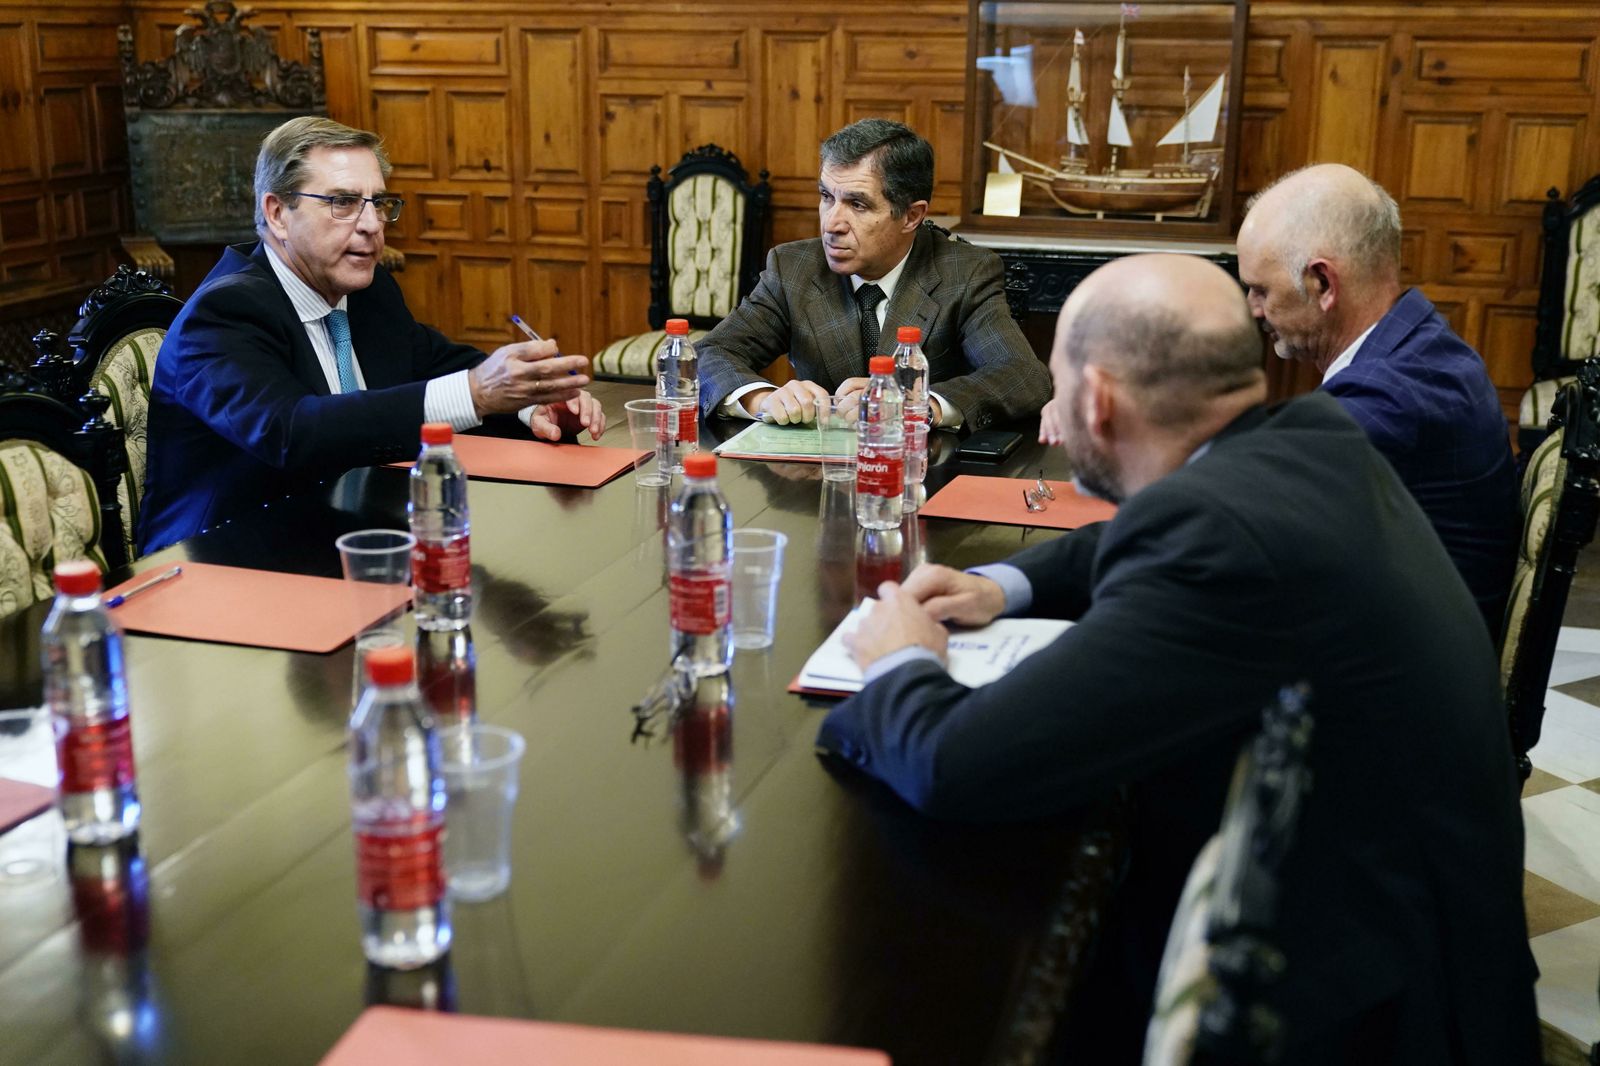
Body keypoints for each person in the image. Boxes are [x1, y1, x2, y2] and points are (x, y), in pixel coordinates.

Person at [815, 254, 1539, 1064]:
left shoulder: (1219, 539)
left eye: (1058, 386)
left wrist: (901, 663)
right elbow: (1132, 541)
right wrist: (1005, 585)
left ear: (1097, 399)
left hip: (1358, 1012)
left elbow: (957, 763)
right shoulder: (1310, 434)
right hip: (1423, 927)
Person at [139, 116, 606, 553]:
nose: (371, 224)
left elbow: (438, 368)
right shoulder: (224, 314)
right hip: (222, 559)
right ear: (278, 213)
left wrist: (529, 403)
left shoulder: (367, 289)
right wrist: (480, 392)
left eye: (378, 203)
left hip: (346, 532)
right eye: (342, 202)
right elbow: (292, 433)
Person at [1236, 163, 1518, 639]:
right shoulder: (1420, 347)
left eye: (1261, 289)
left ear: (1322, 283)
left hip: (1409, 689)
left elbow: (1235, 508)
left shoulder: (1392, 395)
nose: (1253, 308)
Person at [695, 119, 1050, 432]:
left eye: (857, 204)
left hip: (925, 475)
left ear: (911, 216)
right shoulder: (794, 268)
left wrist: (920, 405)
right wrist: (761, 399)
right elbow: (708, 354)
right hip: (815, 483)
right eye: (826, 196)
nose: (831, 224)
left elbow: (1022, 375)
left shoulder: (965, 273)